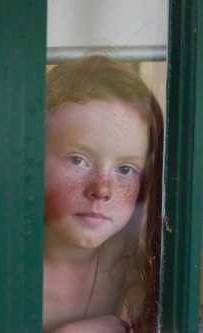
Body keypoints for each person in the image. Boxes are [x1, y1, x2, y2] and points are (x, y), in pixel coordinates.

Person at [43, 55, 163, 333]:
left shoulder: (125, 255)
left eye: (125, 168)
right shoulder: (1, 261)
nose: (102, 190)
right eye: (77, 160)